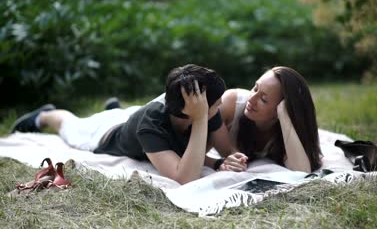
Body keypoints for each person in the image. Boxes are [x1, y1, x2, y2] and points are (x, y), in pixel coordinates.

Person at [11, 64, 229, 184]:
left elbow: (228, 150)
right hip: (103, 135)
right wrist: (201, 119)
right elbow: (185, 177)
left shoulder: (201, 107)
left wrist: (221, 161)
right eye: (215, 105)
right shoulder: (163, 122)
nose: (220, 108)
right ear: (193, 109)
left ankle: (113, 109)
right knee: (70, 125)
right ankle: (45, 114)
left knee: (126, 117)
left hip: (133, 120)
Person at [215, 66, 322, 173]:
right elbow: (198, 149)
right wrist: (218, 163)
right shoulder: (229, 104)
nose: (251, 99)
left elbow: (302, 171)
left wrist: (285, 117)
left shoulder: (285, 123)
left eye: (263, 99)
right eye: (255, 88)